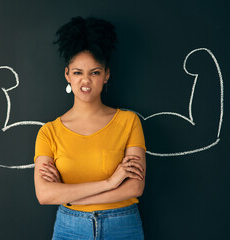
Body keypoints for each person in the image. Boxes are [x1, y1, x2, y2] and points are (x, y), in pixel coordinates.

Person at [33, 16, 146, 240]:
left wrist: (70, 196)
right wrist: (110, 182)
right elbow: (45, 194)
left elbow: (135, 188)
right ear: (67, 74)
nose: (86, 81)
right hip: (69, 228)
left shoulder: (128, 121)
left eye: (94, 72)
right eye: (78, 72)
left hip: (122, 226)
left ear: (106, 75)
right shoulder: (49, 132)